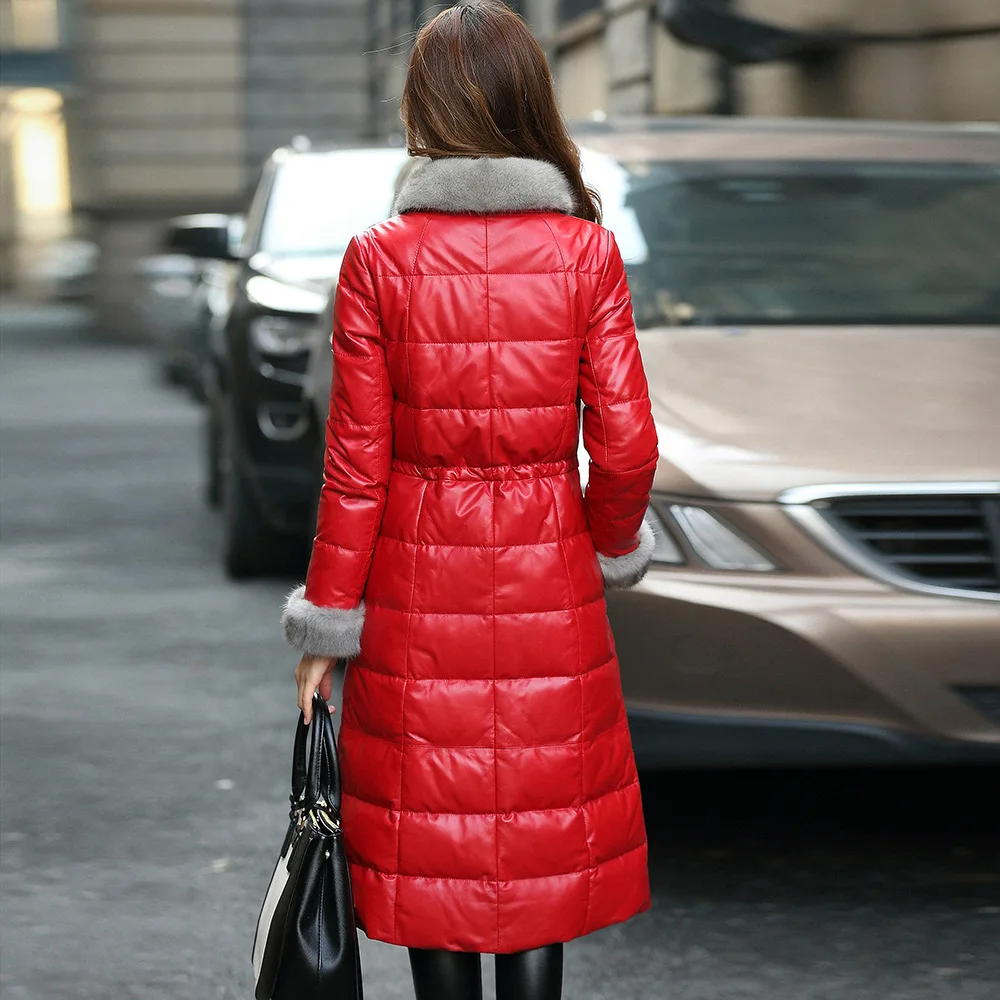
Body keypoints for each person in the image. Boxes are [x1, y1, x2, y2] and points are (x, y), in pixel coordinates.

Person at [280, 2, 659, 997]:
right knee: (536, 855)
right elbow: (626, 445)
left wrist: (329, 621)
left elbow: (355, 460)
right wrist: (607, 547)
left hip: (415, 580)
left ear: (425, 109)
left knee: (432, 847)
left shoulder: (379, 257)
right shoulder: (586, 253)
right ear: (528, 102)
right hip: (550, 577)